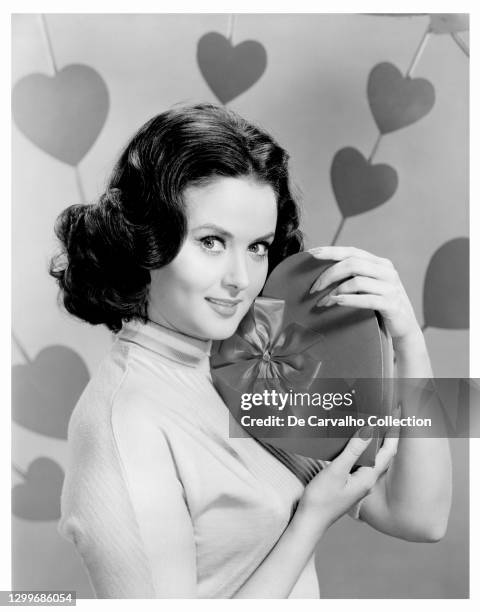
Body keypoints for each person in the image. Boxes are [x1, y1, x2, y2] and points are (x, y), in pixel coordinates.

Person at [50, 103, 452, 599]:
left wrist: (409, 340)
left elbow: (417, 516)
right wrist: (311, 520)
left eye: (258, 246)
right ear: (146, 240)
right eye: (212, 242)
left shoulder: (251, 356)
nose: (240, 280)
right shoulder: (124, 422)